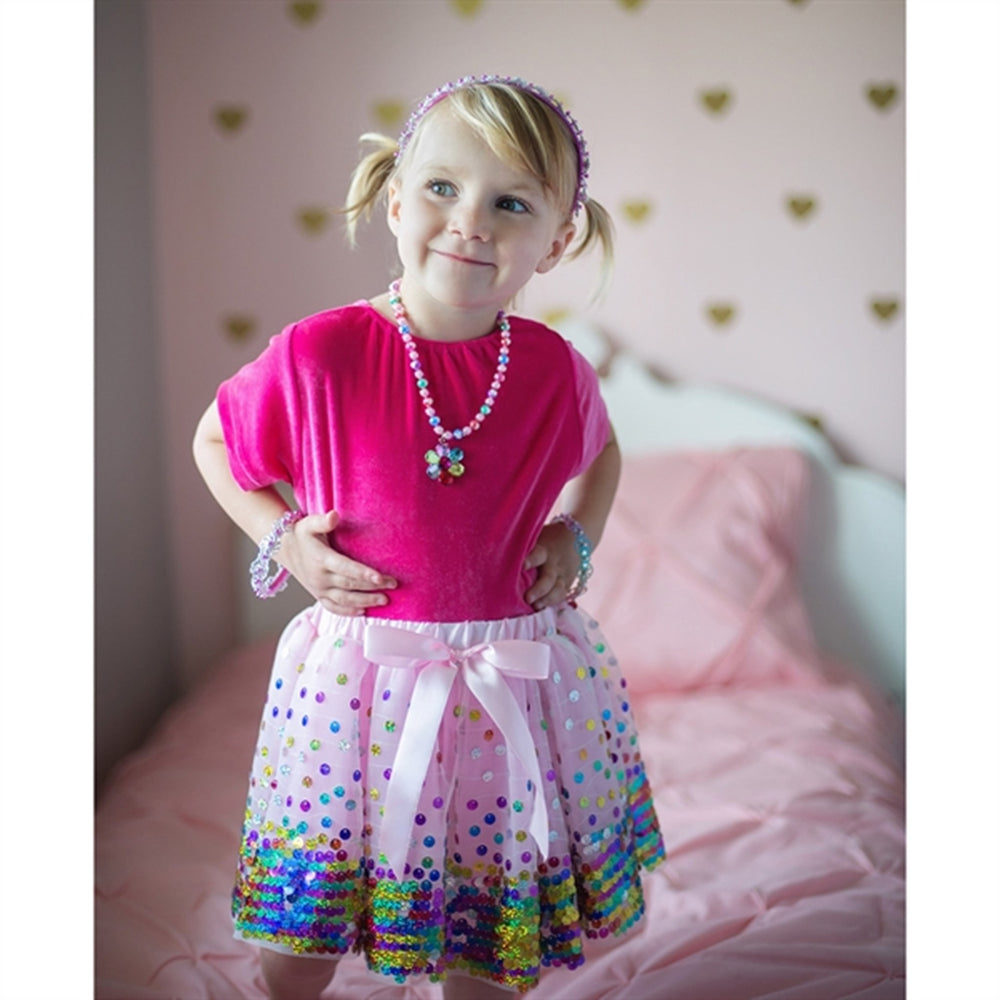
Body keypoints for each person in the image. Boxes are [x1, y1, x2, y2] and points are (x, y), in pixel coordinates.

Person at [193, 74, 665, 1000]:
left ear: (556, 240)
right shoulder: (322, 352)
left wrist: (577, 535)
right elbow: (216, 440)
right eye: (444, 188)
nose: (471, 222)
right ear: (397, 201)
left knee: (488, 940)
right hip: (357, 688)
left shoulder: (553, 370)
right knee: (301, 936)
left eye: (511, 204)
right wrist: (283, 537)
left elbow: (602, 453)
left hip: (508, 684)